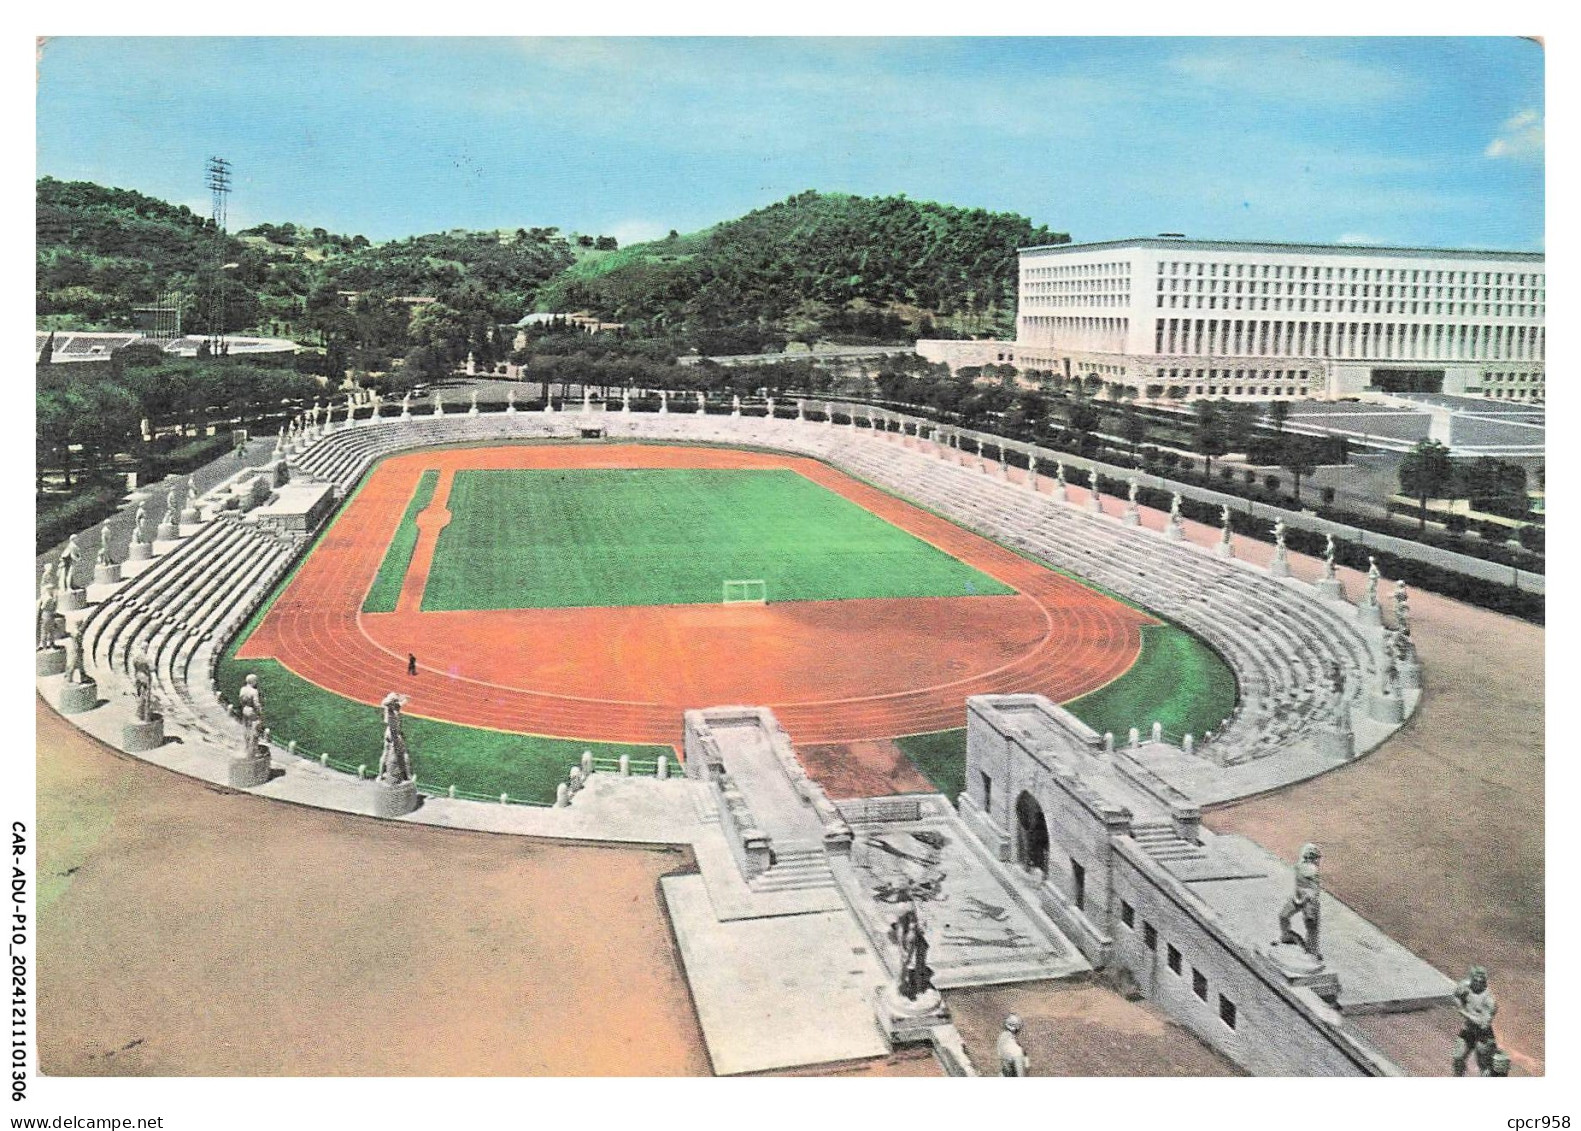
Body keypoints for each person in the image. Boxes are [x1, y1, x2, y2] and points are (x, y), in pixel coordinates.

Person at [1452, 966, 1498, 1076]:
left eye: (1481, 981)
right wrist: (1460, 1005)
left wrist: (1463, 1012)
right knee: (1457, 1058)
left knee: (1484, 1066)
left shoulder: (1489, 1000)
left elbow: (1483, 1024)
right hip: (1468, 1031)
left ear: (1484, 981)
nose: (1478, 983)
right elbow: (1456, 996)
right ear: (1471, 978)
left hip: (1483, 1036)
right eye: (1475, 980)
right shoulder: (1465, 986)